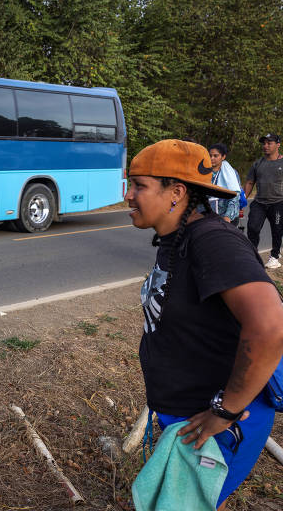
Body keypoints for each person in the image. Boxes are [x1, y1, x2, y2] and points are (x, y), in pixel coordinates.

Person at [126, 139, 283, 510]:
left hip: (218, 424)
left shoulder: (212, 241)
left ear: (176, 192)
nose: (129, 196)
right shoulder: (175, 238)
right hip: (185, 414)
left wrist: (225, 411)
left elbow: (270, 326)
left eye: (139, 185)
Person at [244, 133, 283, 268]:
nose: (265, 146)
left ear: (278, 145)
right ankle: (253, 255)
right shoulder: (257, 163)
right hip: (259, 202)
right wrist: (242, 200)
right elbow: (250, 182)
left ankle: (274, 256)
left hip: (278, 203)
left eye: (269, 143)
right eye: (264, 143)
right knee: (252, 228)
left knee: (277, 230)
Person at [207, 143, 241, 224]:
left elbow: (235, 196)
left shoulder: (231, 173)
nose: (212, 158)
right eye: (210, 156)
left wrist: (227, 217)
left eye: (215, 156)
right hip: (208, 216)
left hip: (226, 217)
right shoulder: (204, 172)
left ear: (223, 157)